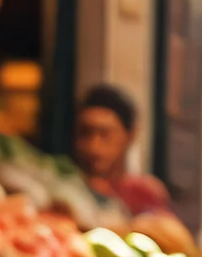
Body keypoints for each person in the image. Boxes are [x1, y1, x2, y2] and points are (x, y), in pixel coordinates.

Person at [73, 84, 177, 221]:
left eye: (105, 134)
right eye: (85, 133)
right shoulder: (62, 190)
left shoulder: (144, 192)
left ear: (130, 135)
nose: (94, 145)